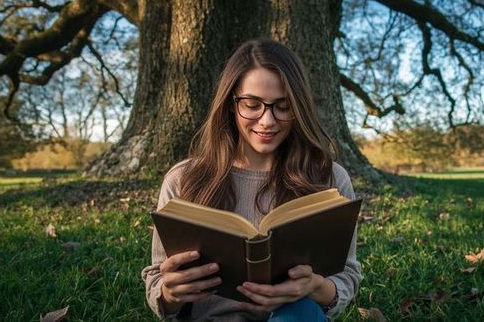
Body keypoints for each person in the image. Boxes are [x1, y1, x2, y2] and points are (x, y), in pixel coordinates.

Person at [141, 39, 362, 321]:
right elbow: (158, 281)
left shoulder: (329, 178)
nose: (267, 121)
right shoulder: (184, 179)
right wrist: (170, 294)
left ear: (299, 108)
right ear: (230, 103)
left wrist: (316, 286)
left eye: (283, 106)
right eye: (252, 104)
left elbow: (347, 276)